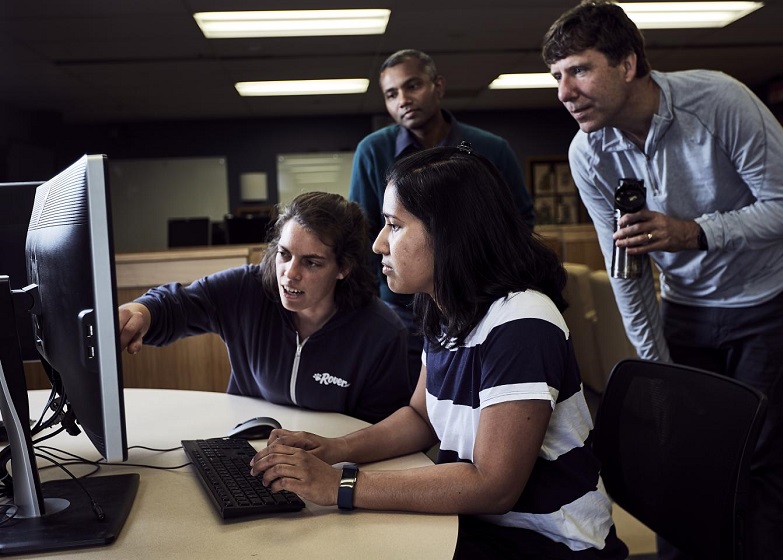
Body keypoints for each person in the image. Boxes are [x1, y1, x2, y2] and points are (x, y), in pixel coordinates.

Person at [541, 2, 783, 558]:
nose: (564, 92)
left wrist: (694, 232)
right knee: (685, 459)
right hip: (688, 308)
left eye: (579, 70)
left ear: (627, 64)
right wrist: (656, 365)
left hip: (771, 302)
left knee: (760, 462)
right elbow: (626, 267)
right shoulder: (588, 152)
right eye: (556, 77)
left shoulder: (718, 100)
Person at [251, 145, 628, 559]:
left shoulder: (523, 322)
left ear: (448, 232)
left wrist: (339, 485)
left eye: (394, 226)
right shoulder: (444, 307)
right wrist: (336, 450)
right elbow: (421, 416)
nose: (378, 244)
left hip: (549, 545)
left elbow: (493, 485)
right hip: (477, 528)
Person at [118, 192, 411, 424]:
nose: (289, 273)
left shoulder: (381, 333)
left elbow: (381, 431)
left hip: (330, 469)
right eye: (284, 254)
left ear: (343, 268)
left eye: (311, 262)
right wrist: (142, 313)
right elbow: (177, 304)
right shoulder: (247, 289)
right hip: (246, 453)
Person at [349, 49, 536, 385]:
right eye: (392, 94)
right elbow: (362, 237)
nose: (403, 100)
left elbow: (519, 224)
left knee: (479, 392)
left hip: (479, 300)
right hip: (401, 304)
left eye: (413, 86)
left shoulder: (491, 149)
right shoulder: (372, 151)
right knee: (411, 401)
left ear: (438, 86)